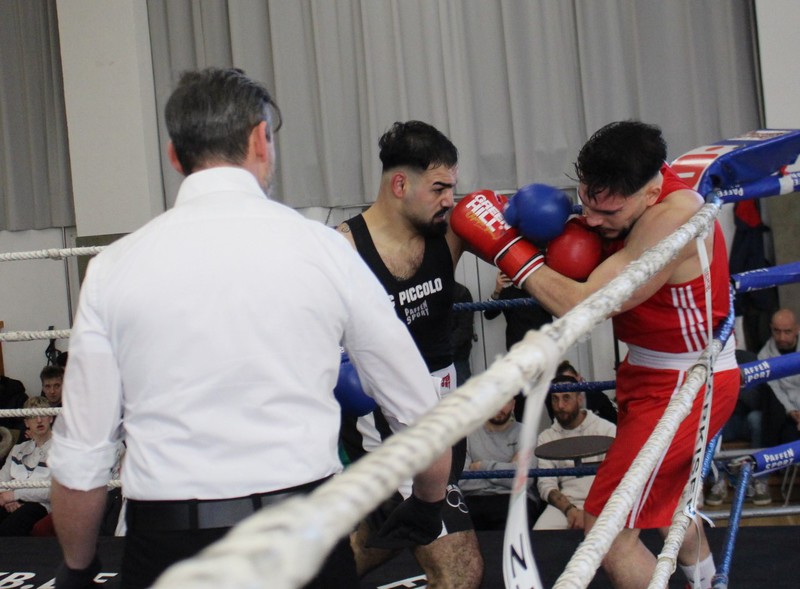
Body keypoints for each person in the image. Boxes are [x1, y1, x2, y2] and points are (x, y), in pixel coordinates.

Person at [48, 68, 451, 589]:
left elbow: (83, 455)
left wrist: (77, 567)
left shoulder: (113, 267)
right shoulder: (325, 251)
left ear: (175, 157)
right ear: (262, 140)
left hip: (168, 545)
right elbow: (420, 412)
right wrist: (427, 504)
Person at [452, 120, 739, 589]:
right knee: (671, 508)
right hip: (649, 374)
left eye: (607, 211)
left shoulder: (675, 219)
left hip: (685, 386)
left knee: (606, 532)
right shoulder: (632, 187)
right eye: (585, 202)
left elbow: (582, 305)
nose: (589, 220)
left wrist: (504, 245)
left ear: (650, 192)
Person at [336, 120, 483, 588]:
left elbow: (540, 259)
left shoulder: (450, 233)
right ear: (400, 185)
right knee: (459, 569)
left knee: (381, 534)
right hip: (389, 426)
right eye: (439, 188)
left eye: (452, 187)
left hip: (445, 416)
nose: (450, 199)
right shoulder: (343, 250)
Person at [534, 375, 616, 530]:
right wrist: (570, 510)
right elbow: (546, 484)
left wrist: (591, 511)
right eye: (555, 399)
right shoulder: (546, 437)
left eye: (566, 398)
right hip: (565, 506)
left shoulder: (607, 429)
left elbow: (616, 478)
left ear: (579, 399)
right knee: (540, 532)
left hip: (604, 503)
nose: (560, 405)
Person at [460, 397, 538, 530]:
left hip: (514, 499)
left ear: (513, 404)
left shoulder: (525, 433)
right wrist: (507, 472)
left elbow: (525, 480)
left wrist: (482, 466)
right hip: (474, 499)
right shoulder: (467, 433)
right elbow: (462, 481)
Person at [484, 271, 552, 421]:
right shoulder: (508, 292)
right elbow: (488, 314)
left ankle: (561, 433)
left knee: (553, 398)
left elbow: (560, 305)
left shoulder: (541, 289)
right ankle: (520, 435)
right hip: (519, 358)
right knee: (520, 404)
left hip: (543, 353)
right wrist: (497, 290)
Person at [0, 396, 53, 535]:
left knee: (7, 531)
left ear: (51, 418)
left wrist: (14, 494)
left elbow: (53, 491)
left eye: (43, 414)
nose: (39, 420)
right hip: (10, 499)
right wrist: (7, 499)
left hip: (39, 505)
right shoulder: (18, 449)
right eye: (33, 416)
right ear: (26, 422)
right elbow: (1, 479)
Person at [757, 308, 800, 443]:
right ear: (771, 328)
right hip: (787, 413)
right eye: (777, 331)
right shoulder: (764, 356)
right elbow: (775, 391)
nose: (782, 337)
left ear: (797, 329)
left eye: (787, 332)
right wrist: (791, 411)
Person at [551, 360, 617, 425]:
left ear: (578, 377)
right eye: (564, 384)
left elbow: (614, 422)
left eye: (571, 380)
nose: (570, 386)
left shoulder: (597, 396)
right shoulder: (554, 401)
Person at [451, 282, 477, 386]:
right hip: (436, 358)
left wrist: (443, 348)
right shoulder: (430, 293)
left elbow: (465, 328)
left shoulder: (461, 292)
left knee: (463, 394)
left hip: (457, 357)